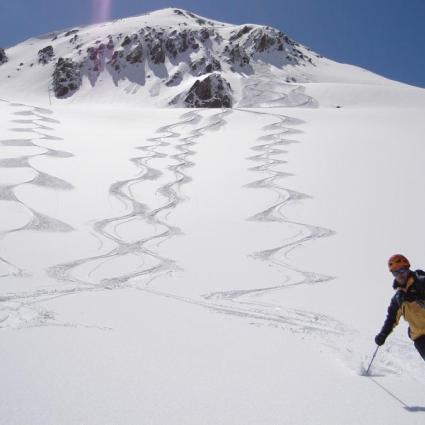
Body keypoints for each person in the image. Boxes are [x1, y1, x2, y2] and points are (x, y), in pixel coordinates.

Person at [375, 254, 425, 361]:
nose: (399, 275)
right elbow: (391, 319)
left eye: (402, 270)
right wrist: (383, 334)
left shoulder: (422, 282)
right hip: (420, 338)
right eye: (395, 272)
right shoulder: (398, 299)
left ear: (408, 268)